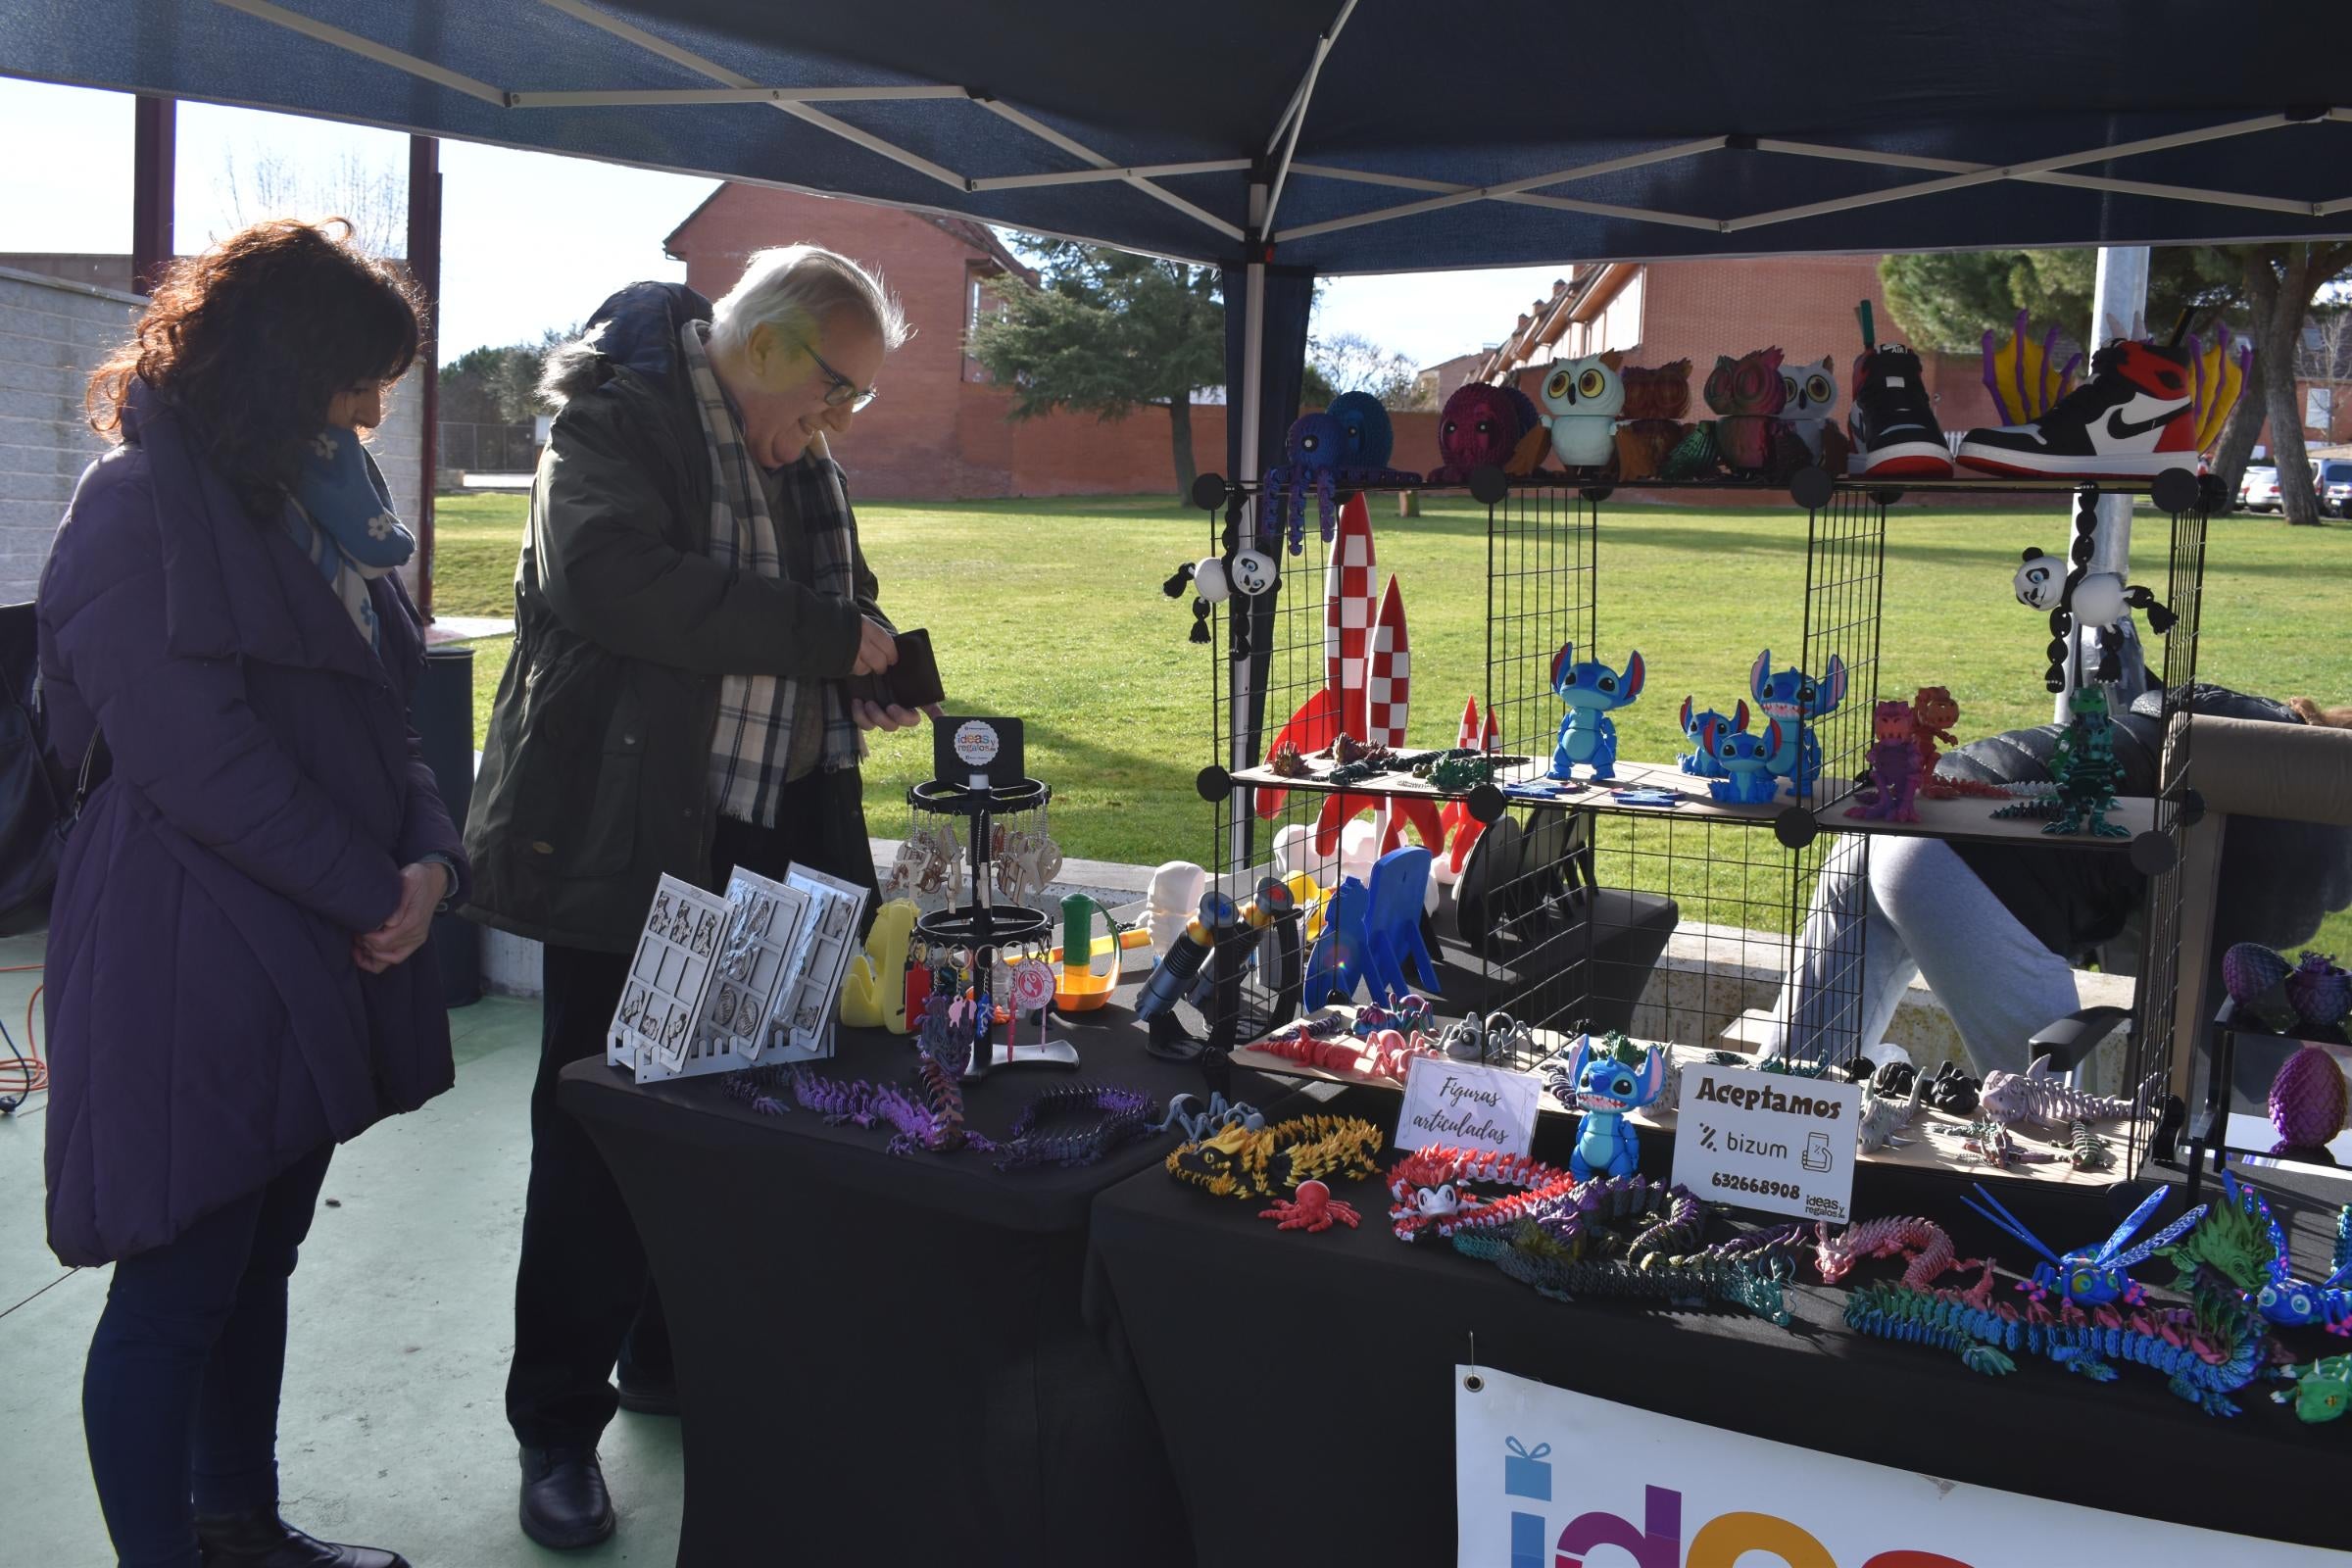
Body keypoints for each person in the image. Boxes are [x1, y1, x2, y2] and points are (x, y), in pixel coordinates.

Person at [465, 246, 927, 1549]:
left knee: (736, 1118)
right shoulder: (612, 418)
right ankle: (554, 1422)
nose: (837, 428)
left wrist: (866, 655)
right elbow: (612, 583)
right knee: (603, 1138)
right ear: (769, 347)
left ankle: (670, 1355)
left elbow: (814, 602)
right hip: (633, 845)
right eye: (834, 393)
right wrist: (817, 639)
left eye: (855, 406)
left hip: (774, 837)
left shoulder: (792, 455)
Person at [35, 220, 466, 1568]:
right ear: (286, 366)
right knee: (176, 1283)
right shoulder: (133, 511)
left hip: (311, 937)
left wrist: (431, 857)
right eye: (359, 380)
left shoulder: (299, 504)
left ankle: (237, 1524)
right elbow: (198, 762)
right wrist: (370, 890)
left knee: (258, 1258)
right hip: (190, 947)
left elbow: (383, 715)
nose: (373, 412)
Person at [1764, 684, 2352, 1075]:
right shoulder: (2283, 802)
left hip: (1885, 822)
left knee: (1793, 1079)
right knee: (2045, 1126)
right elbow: (2224, 985)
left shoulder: (2240, 731)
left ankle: (1737, 1190)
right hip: (1957, 866)